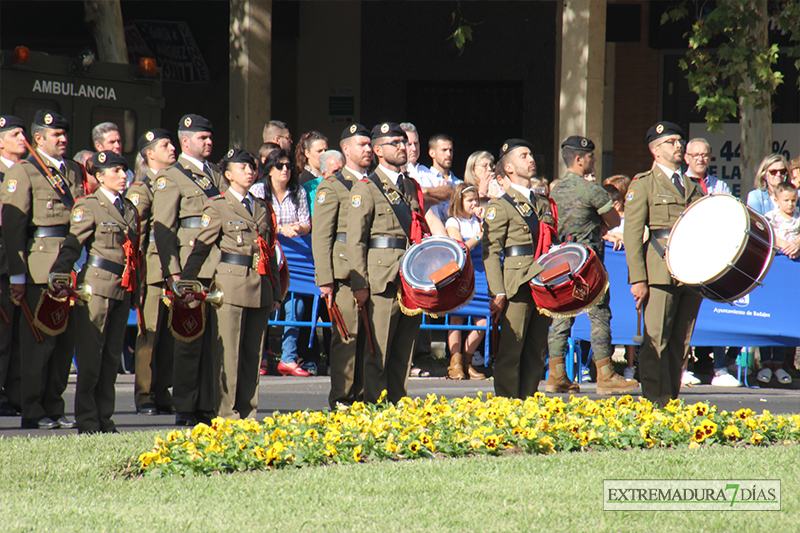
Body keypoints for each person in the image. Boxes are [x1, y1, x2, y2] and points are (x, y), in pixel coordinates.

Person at [180, 149, 281, 419]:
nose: (249, 171)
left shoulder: (261, 206)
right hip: (230, 285)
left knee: (252, 354)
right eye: (242, 167)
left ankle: (248, 412)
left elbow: (268, 251)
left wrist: (277, 292)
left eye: (251, 167)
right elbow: (201, 249)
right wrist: (187, 281)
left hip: (260, 285)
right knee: (228, 355)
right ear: (228, 174)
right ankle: (226, 413)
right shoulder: (218, 205)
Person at [2, 110, 83, 430]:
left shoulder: (73, 171)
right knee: (40, 341)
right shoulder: (25, 172)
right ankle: (32, 407)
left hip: (71, 264)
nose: (63, 139)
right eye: (55, 135)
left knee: (65, 342)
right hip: (40, 266)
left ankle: (54, 405)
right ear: (39, 138)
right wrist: (18, 276)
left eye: (64, 134)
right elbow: (13, 229)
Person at [50, 151, 139, 434]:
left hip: (123, 287)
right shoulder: (89, 205)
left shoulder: (129, 208)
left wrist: (136, 290)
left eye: (125, 170)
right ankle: (88, 420)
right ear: (100, 176)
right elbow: (73, 245)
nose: (123, 175)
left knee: (111, 357)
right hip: (97, 287)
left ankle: (105, 418)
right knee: (91, 357)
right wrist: (60, 273)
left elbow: (135, 254)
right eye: (116, 171)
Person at [623, 121, 705, 407]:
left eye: (680, 140)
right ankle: (655, 402)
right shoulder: (643, 183)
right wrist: (638, 278)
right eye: (671, 142)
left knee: (681, 343)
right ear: (655, 150)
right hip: (659, 270)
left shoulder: (693, 186)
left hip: (691, 272)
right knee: (656, 341)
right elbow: (632, 234)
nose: (679, 145)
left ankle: (671, 401)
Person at [547, 136, 636, 395]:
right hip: (589, 261)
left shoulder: (555, 190)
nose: (593, 160)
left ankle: (556, 374)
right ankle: (605, 375)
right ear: (578, 159)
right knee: (599, 315)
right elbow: (614, 221)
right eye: (590, 157)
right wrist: (598, 224)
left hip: (562, 259)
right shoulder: (592, 190)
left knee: (562, 314)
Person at [153, 114, 225, 426]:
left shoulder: (216, 175)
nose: (209, 142)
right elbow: (164, 229)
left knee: (213, 342)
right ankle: (184, 403)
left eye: (210, 138)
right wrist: (172, 273)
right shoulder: (172, 176)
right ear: (186, 141)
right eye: (202, 138)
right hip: (190, 265)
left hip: (220, 265)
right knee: (188, 337)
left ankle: (206, 403)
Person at [347, 122, 425, 403]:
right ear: (378, 150)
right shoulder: (366, 188)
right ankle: (373, 409)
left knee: (403, 352)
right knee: (377, 352)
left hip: (410, 278)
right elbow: (355, 240)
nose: (403, 147)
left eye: (404, 142)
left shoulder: (411, 187)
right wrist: (360, 284)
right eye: (395, 143)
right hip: (381, 279)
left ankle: (396, 405)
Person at [481, 139, 554, 399]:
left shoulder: (544, 204)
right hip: (517, 284)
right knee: (511, 351)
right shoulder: (500, 205)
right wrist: (497, 291)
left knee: (537, 351)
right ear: (509, 169)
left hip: (544, 281)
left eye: (531, 154)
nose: (531, 158)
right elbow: (490, 253)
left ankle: (527, 404)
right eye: (523, 156)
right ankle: (507, 407)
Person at [312, 124, 372, 407]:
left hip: (373, 270)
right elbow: (322, 235)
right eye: (362, 144)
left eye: (370, 144)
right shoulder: (333, 185)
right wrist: (325, 279)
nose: (369, 150)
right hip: (345, 274)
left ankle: (363, 397)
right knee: (347, 338)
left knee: (370, 341)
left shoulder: (374, 184)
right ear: (346, 149)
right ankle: (342, 400)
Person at [680, 138, 741, 387]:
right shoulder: (679, 184)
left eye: (704, 155)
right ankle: (682, 367)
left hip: (714, 257)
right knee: (684, 315)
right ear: (686, 157)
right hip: (688, 256)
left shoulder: (719, 185)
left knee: (716, 311)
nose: (700, 159)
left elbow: (728, 215)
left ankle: (720, 368)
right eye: (695, 155)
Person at [127, 129, 177, 415]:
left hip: (174, 268)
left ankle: (161, 389)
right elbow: (138, 236)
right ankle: (145, 393)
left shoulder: (173, 182)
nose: (172, 149)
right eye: (165, 145)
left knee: (170, 334)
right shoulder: (142, 188)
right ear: (149, 154)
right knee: (150, 332)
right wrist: (139, 276)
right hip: (153, 269)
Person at [263, 149, 312, 376]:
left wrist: (299, 228)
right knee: (262, 304)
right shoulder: (258, 190)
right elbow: (256, 222)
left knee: (296, 305)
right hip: (266, 255)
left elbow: (306, 223)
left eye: (289, 166)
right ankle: (260, 359)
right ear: (270, 169)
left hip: (294, 257)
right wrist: (280, 229)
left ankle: (288, 358)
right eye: (280, 165)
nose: (285, 170)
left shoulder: (298, 191)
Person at [756, 180, 800, 386]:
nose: (791, 204)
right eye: (786, 200)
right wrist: (786, 246)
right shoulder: (770, 218)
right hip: (773, 272)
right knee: (768, 317)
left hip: (792, 276)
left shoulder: (799, 217)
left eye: (794, 200)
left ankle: (779, 363)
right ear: (776, 200)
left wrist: (796, 243)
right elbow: (768, 235)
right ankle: (765, 363)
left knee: (784, 318)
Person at [444, 183, 486, 380]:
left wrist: (485, 222)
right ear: (459, 201)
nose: (474, 203)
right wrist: (478, 235)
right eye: (469, 200)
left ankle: (468, 361)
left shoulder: (480, 220)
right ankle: (455, 364)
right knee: (457, 320)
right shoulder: (453, 222)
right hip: (463, 274)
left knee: (483, 321)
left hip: (481, 274)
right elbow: (461, 248)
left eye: (475, 199)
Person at [0, 115, 26, 417]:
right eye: (15, 134)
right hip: (3, 264)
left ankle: (17, 391)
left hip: (23, 263)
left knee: (21, 333)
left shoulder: (29, 172)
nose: (23, 138)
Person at [421, 134, 460, 223]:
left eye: (451, 150)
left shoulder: (459, 183)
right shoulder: (424, 176)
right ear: (432, 153)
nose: (449, 154)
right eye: (444, 150)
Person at [92, 122, 134, 187]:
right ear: (99, 146)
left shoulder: (128, 173)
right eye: (112, 142)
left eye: (119, 141)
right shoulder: (91, 173)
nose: (117, 146)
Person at [304, 150, 344, 217]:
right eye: (335, 172)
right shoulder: (311, 188)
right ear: (324, 174)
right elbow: (314, 217)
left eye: (342, 170)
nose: (341, 175)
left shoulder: (350, 184)